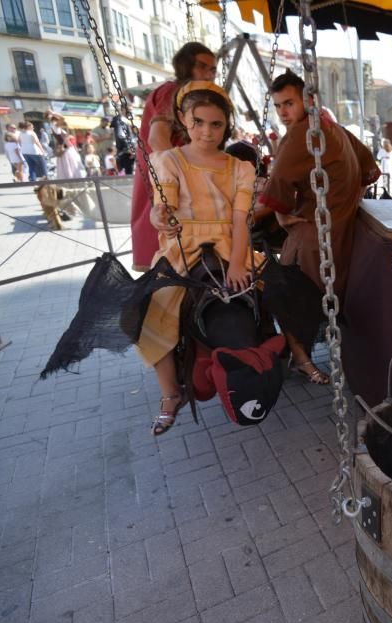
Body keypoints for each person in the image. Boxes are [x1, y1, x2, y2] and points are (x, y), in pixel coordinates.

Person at [139, 81, 254, 436]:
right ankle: (170, 393)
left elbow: (240, 219)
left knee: (280, 290)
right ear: (183, 120)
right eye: (198, 122)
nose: (207, 131)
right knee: (151, 311)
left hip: (229, 243)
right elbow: (165, 207)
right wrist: (161, 217)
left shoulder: (240, 168)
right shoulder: (169, 160)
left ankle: (296, 356)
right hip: (182, 245)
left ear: (226, 125)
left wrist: (237, 262)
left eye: (216, 124)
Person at [260, 70, 380, 384]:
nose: (284, 112)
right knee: (311, 302)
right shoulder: (334, 126)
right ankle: (299, 355)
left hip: (312, 237)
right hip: (339, 234)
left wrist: (279, 215)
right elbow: (370, 168)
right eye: (278, 106)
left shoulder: (304, 133)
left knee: (292, 300)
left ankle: (300, 359)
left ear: (308, 100)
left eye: (289, 103)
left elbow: (277, 187)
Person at [130, 41, 216, 272]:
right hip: (167, 180)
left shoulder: (191, 97)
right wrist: (186, 179)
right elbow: (157, 139)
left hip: (171, 177)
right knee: (169, 251)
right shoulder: (173, 91)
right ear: (186, 66)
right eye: (202, 67)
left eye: (212, 69)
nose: (208, 74)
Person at [47, 113, 83, 179]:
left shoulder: (54, 127)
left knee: (67, 163)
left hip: (65, 147)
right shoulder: (55, 126)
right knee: (70, 163)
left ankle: (69, 177)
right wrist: (52, 112)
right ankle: (71, 177)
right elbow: (62, 118)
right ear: (56, 120)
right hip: (66, 148)